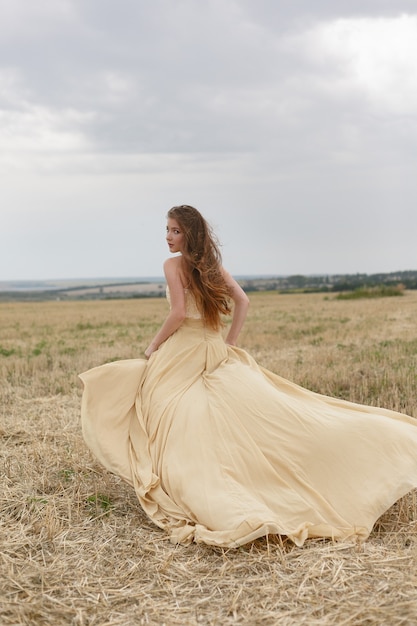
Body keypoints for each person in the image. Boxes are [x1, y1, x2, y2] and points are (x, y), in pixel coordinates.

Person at [80, 205, 417, 548]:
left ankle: (196, 482)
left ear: (190, 234)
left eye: (175, 231)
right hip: (213, 348)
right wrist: (228, 343)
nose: (168, 237)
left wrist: (153, 346)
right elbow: (243, 302)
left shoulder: (172, 266)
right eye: (166, 230)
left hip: (183, 352)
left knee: (164, 410)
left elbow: (179, 313)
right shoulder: (212, 268)